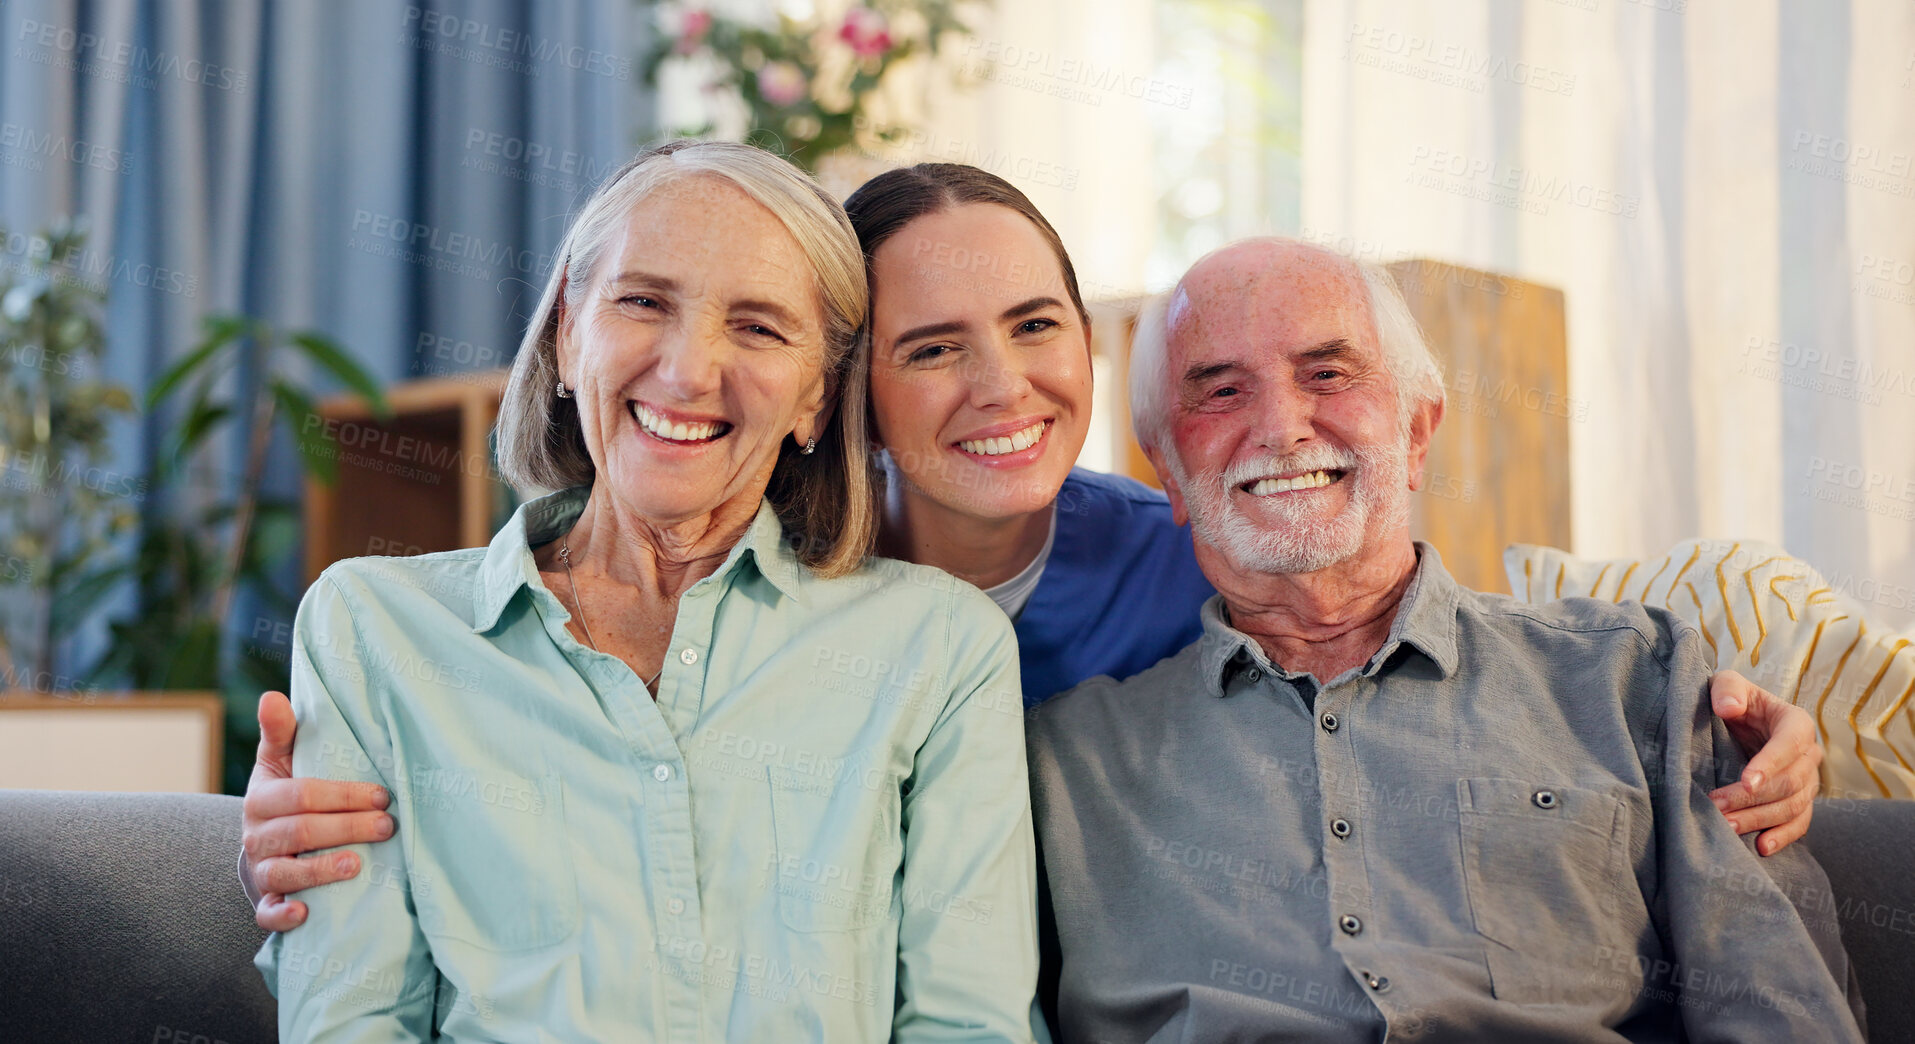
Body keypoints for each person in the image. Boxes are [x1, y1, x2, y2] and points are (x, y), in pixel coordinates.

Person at [240, 165, 1824, 932]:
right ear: (838, 393)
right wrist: (304, 811)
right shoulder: (756, 593)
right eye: (929, 348)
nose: (1002, 390)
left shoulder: (1183, 550)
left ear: (1091, 342)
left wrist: (1727, 705)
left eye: (1035, 326)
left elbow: (1416, 629)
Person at [253, 140, 1037, 1041]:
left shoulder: (938, 649)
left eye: (758, 327)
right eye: (642, 301)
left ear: (816, 398)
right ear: (565, 334)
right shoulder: (373, 631)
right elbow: (347, 1021)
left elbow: (969, 1026)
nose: (689, 370)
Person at [1026, 236, 1863, 1041]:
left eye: (1327, 373)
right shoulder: (1058, 764)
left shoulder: (1636, 676)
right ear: (1168, 468)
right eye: (1220, 392)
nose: (1281, 426)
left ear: (1418, 430)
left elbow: (1783, 1009)